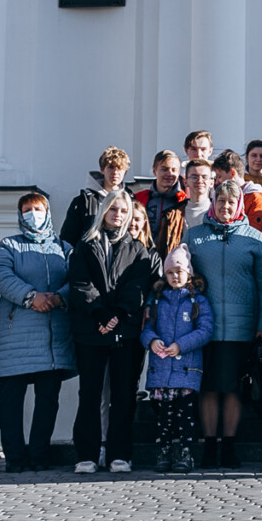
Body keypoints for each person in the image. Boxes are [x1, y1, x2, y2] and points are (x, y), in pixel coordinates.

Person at [184, 180, 262, 469]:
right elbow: (183, 279)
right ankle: (209, 447)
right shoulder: (194, 236)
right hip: (203, 328)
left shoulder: (254, 239)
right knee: (208, 387)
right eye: (220, 201)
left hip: (241, 327)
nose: (225, 207)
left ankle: (230, 446)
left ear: (239, 206)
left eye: (230, 203)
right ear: (213, 203)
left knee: (233, 388)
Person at [69, 190, 159, 474]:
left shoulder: (138, 249)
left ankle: (120, 454)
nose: (118, 215)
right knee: (90, 394)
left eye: (123, 211)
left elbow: (137, 287)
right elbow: (80, 284)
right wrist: (100, 314)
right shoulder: (86, 245)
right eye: (113, 210)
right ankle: (87, 454)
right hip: (91, 329)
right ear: (104, 212)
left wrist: (118, 316)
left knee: (124, 395)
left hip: (126, 331)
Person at [0, 193, 75, 473]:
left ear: (48, 212)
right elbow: (1, 276)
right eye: (27, 209)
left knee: (48, 398)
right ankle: (14, 458)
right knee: (11, 400)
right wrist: (31, 297)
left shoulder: (63, 247)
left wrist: (59, 298)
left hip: (53, 336)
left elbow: (77, 277)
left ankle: (39, 454)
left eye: (38, 209)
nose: (33, 214)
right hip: (17, 335)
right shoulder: (9, 245)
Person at [140, 244, 213, 474]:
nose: (174, 276)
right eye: (170, 272)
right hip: (161, 371)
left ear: (188, 273)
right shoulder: (158, 300)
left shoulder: (198, 301)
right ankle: (163, 452)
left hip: (186, 371)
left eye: (179, 272)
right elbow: (146, 327)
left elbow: (205, 330)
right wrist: (152, 341)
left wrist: (181, 345)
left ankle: (185, 453)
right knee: (163, 417)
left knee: (186, 417)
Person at [60, 146, 132, 247]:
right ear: (102, 169)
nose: (115, 172)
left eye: (120, 168)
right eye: (111, 167)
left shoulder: (131, 200)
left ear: (125, 172)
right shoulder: (84, 201)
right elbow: (68, 237)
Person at [135, 149, 188, 254]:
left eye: (174, 170)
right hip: (141, 254)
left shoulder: (183, 201)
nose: (169, 173)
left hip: (171, 258)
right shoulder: (138, 199)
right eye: (164, 169)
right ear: (154, 171)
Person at [213, 149, 262, 235]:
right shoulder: (220, 196)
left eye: (219, 176)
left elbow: (256, 233)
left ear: (232, 173)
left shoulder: (256, 198)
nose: (217, 181)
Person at [183, 159, 214, 231]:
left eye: (204, 177)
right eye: (194, 177)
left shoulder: (219, 210)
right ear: (185, 182)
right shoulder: (175, 214)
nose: (199, 181)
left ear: (212, 182)